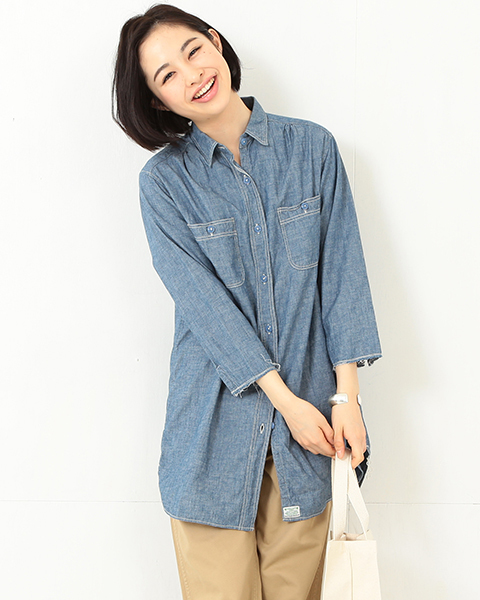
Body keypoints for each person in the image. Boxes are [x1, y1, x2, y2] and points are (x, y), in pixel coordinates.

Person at [112, 4, 382, 599]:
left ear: (215, 42)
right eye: (167, 76)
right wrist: (288, 404)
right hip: (210, 442)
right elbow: (206, 310)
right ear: (159, 101)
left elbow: (342, 279)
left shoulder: (311, 149)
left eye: (192, 52)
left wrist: (347, 397)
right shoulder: (163, 184)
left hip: (311, 438)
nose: (192, 75)